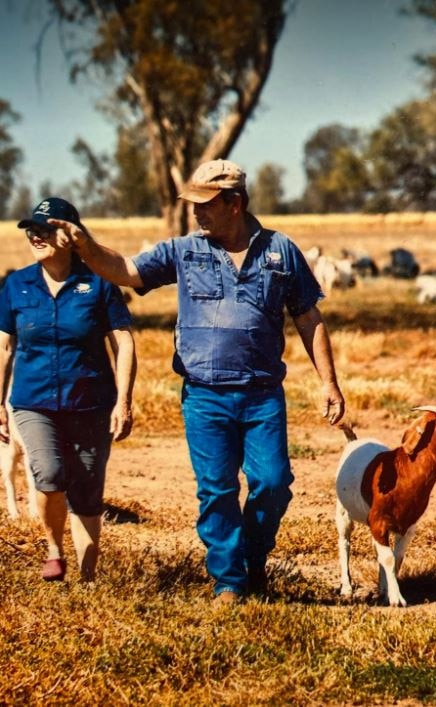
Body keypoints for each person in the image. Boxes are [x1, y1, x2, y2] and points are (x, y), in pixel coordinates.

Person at [49, 160, 345, 603]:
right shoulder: (184, 252)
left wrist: (329, 382)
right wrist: (86, 246)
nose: (196, 214)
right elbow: (127, 270)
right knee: (217, 489)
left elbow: (308, 317)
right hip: (204, 397)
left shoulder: (281, 253)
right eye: (192, 205)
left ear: (235, 204)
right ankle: (229, 581)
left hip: (262, 396)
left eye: (205, 205)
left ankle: (252, 556)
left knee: (273, 481)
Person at [0, 197, 136, 583]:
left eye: (46, 229)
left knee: (89, 490)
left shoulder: (98, 284)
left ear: (71, 236)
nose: (36, 236)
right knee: (48, 472)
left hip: (91, 403)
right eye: (32, 229)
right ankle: (54, 548)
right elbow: (4, 346)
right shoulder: (17, 284)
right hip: (33, 401)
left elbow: (123, 343)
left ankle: (88, 578)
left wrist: (123, 400)